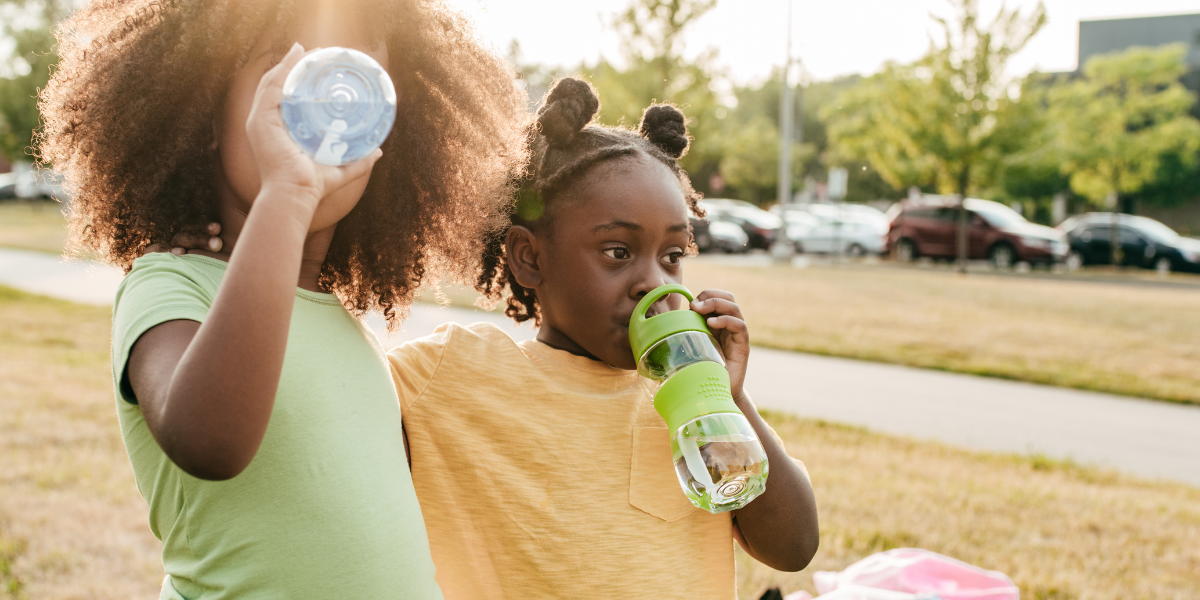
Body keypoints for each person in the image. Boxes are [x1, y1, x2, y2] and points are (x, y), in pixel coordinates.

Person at [37, 1, 527, 598]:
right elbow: (211, 440)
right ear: (208, 116)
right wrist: (287, 195)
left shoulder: (346, 328)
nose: (325, 109)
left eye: (353, 83)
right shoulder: (170, 285)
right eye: (289, 75)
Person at [389, 78, 820, 599]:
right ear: (530, 257)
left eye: (673, 256)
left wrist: (729, 400)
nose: (654, 282)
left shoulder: (695, 404)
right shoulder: (448, 373)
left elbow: (793, 547)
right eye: (618, 251)